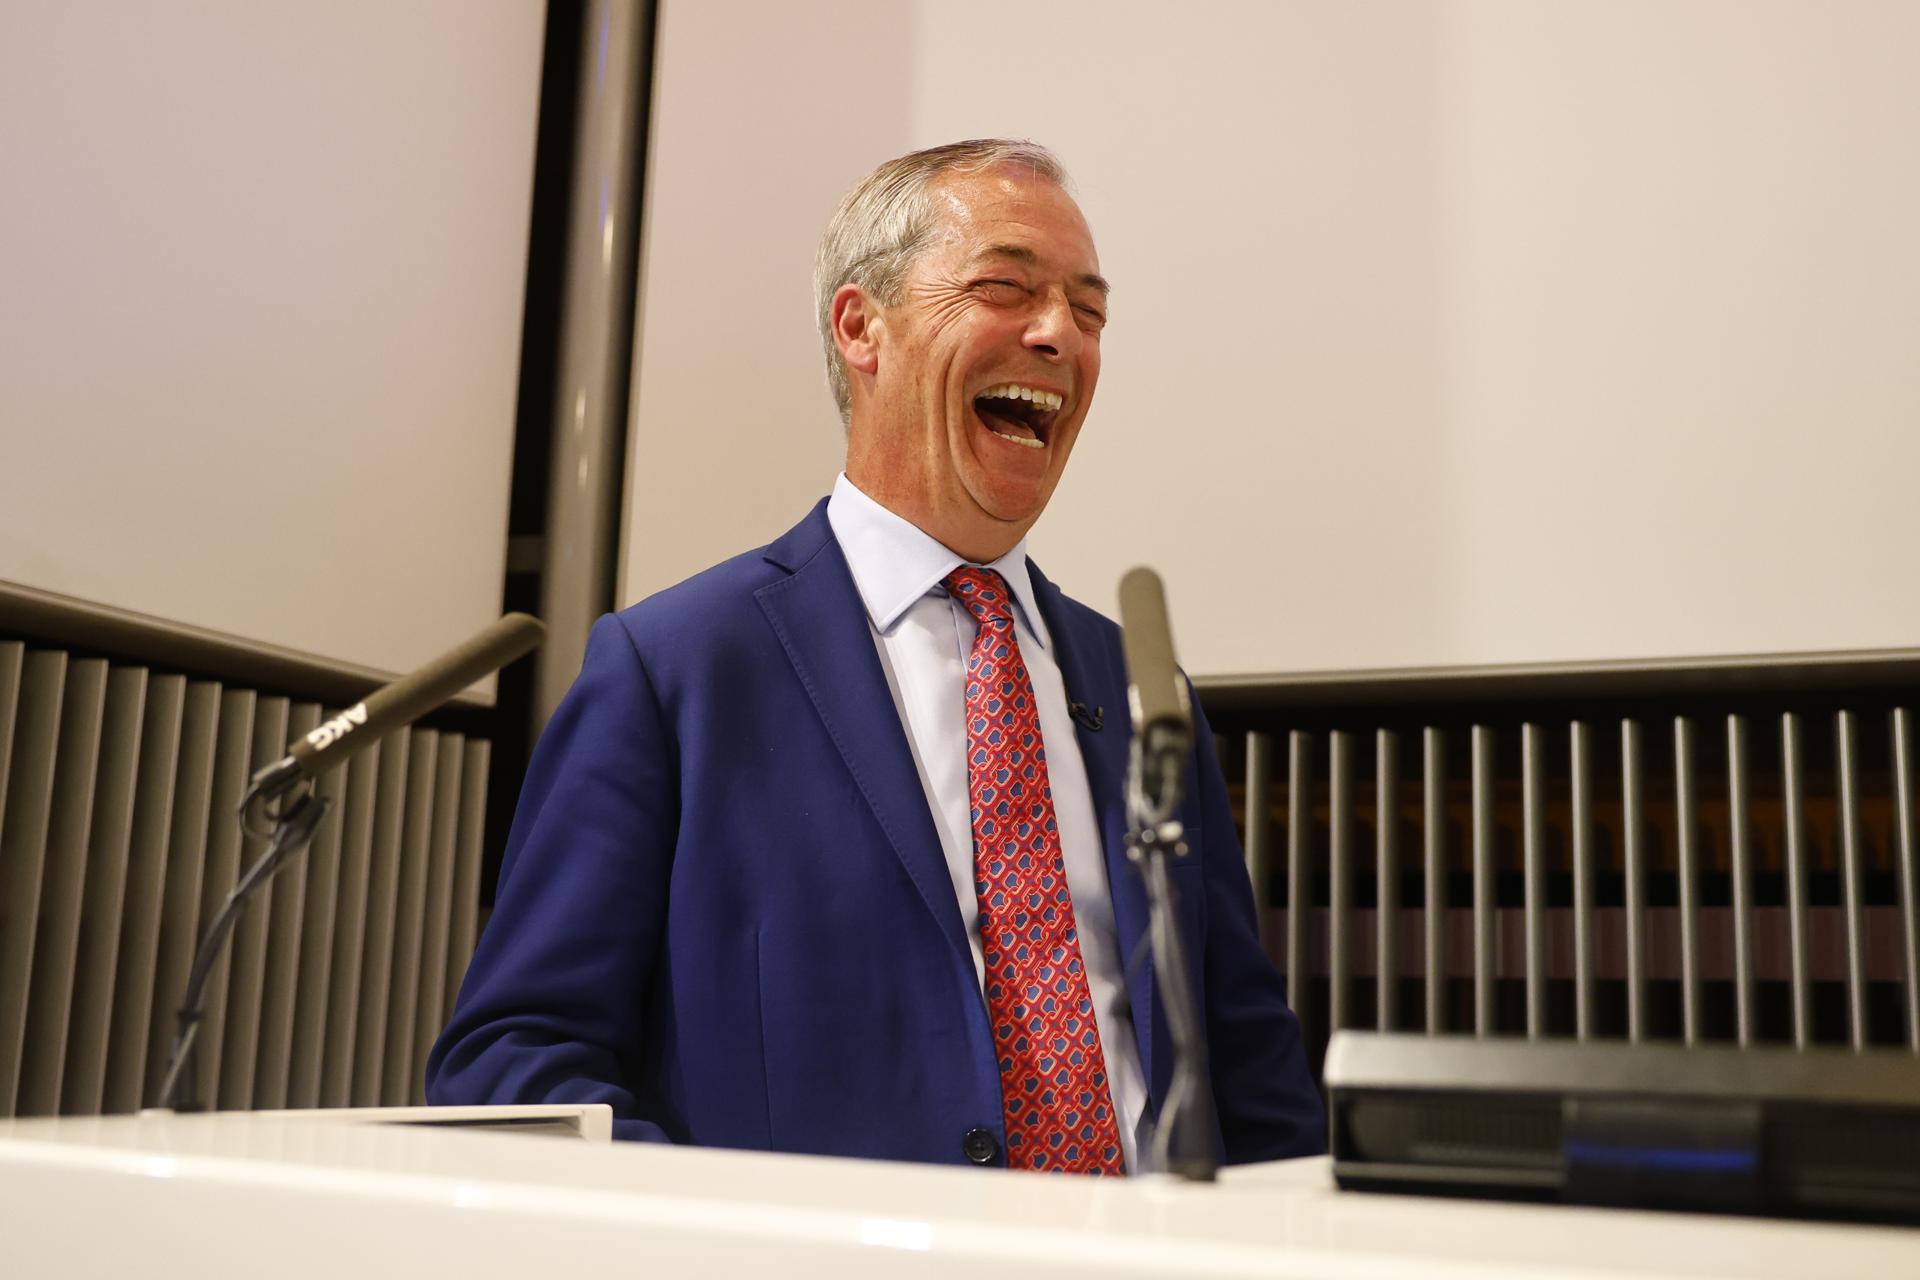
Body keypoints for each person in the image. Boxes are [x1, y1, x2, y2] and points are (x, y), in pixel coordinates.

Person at [426, 140, 1323, 1172]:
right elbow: (514, 1061)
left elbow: (1253, 1075)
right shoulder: (676, 670)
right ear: (862, 326)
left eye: (1090, 312)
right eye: (1006, 288)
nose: (1058, 335)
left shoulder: (1138, 686)